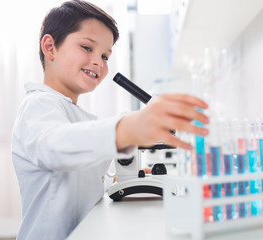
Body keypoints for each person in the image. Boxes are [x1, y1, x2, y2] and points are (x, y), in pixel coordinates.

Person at [11, 0, 209, 239]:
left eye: (105, 56)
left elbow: (81, 183)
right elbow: (55, 147)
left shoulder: (73, 114)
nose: (99, 62)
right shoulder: (37, 106)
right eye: (87, 48)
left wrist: (127, 176)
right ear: (50, 47)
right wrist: (126, 127)